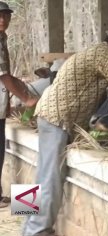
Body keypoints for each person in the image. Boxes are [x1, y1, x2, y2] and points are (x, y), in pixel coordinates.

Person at [22, 25, 108, 236]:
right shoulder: (106, 53)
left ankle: (26, 229)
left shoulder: (95, 51)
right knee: (50, 178)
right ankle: (37, 233)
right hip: (59, 118)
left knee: (41, 175)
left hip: (50, 114)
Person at [0, 1, 38, 208]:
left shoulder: (3, 38)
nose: (3, 20)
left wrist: (9, 100)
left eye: (6, 15)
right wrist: (27, 99)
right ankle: (29, 213)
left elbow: (6, 77)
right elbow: (3, 76)